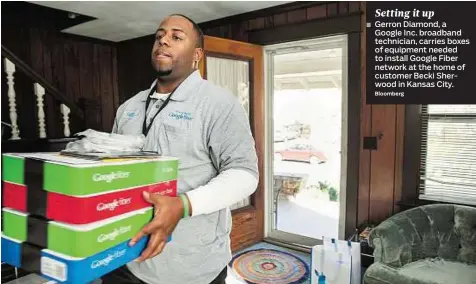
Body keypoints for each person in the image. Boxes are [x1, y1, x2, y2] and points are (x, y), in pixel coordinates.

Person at [102, 14, 259, 284]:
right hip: (126, 260)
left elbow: (245, 174)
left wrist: (183, 204)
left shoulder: (219, 104)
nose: (163, 40)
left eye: (176, 37)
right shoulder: (129, 107)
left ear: (196, 54)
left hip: (191, 267)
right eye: (159, 35)